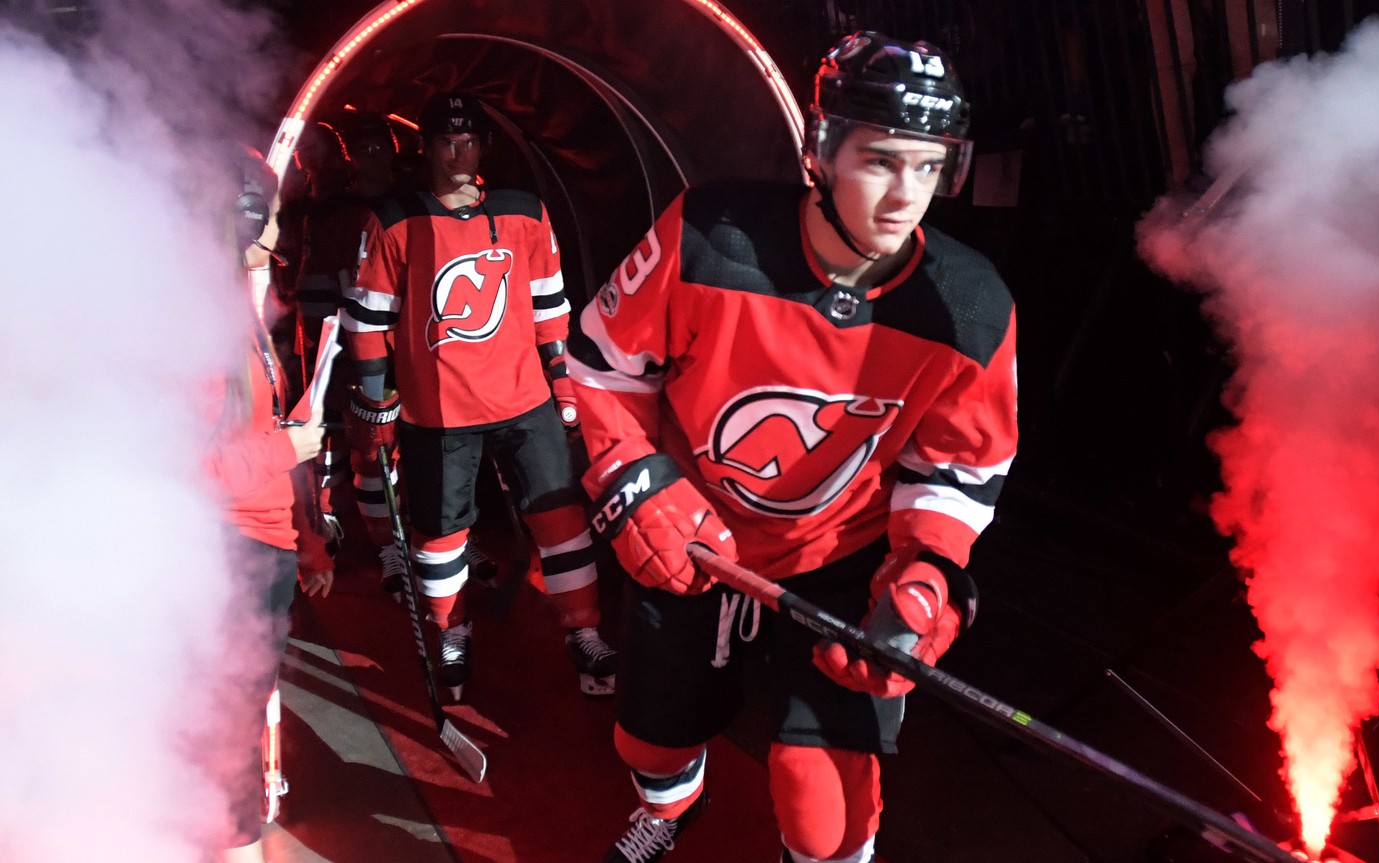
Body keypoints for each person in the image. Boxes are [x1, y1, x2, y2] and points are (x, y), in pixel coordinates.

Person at [567, 32, 1018, 863]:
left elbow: (958, 467)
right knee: (652, 744)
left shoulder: (969, 304)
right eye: (881, 160)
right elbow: (601, 363)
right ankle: (670, 806)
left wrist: (926, 576)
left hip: (841, 555)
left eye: (929, 167)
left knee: (828, 805)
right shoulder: (710, 234)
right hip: (695, 533)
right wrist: (636, 478)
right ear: (822, 149)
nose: (903, 198)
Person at [340, 92, 617, 700]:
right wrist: (374, 397)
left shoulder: (523, 211)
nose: (457, 151)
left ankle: (583, 630)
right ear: (426, 147)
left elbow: (550, 307)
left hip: (524, 400)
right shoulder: (394, 219)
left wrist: (563, 384)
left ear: (484, 146)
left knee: (561, 516)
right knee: (442, 534)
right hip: (438, 413)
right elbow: (366, 319)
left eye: (468, 140)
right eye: (445, 140)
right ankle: (452, 630)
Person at [206, 152, 330, 863]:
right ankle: (235, 843)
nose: (281, 234)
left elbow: (258, 429)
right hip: (231, 551)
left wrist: (308, 541)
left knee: (241, 710)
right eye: (273, 215)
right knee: (228, 717)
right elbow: (187, 475)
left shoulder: (238, 311)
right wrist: (290, 448)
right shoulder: (203, 330)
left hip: (267, 545)